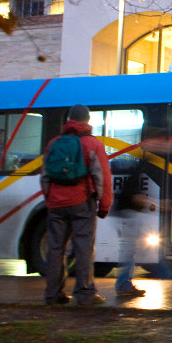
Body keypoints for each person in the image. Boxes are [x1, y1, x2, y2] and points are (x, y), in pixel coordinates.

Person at [41, 104, 113, 307]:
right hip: (82, 203)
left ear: (69, 120)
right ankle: (85, 293)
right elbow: (103, 179)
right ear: (87, 121)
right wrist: (104, 205)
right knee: (83, 247)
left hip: (56, 203)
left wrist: (50, 199)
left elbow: (45, 176)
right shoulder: (93, 144)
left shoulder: (54, 143)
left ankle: (53, 295)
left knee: (55, 249)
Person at [113, 128, 167, 298]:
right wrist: (158, 203)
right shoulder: (143, 164)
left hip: (128, 212)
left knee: (130, 251)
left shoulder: (142, 162)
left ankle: (124, 284)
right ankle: (123, 284)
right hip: (129, 213)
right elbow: (135, 196)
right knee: (130, 251)